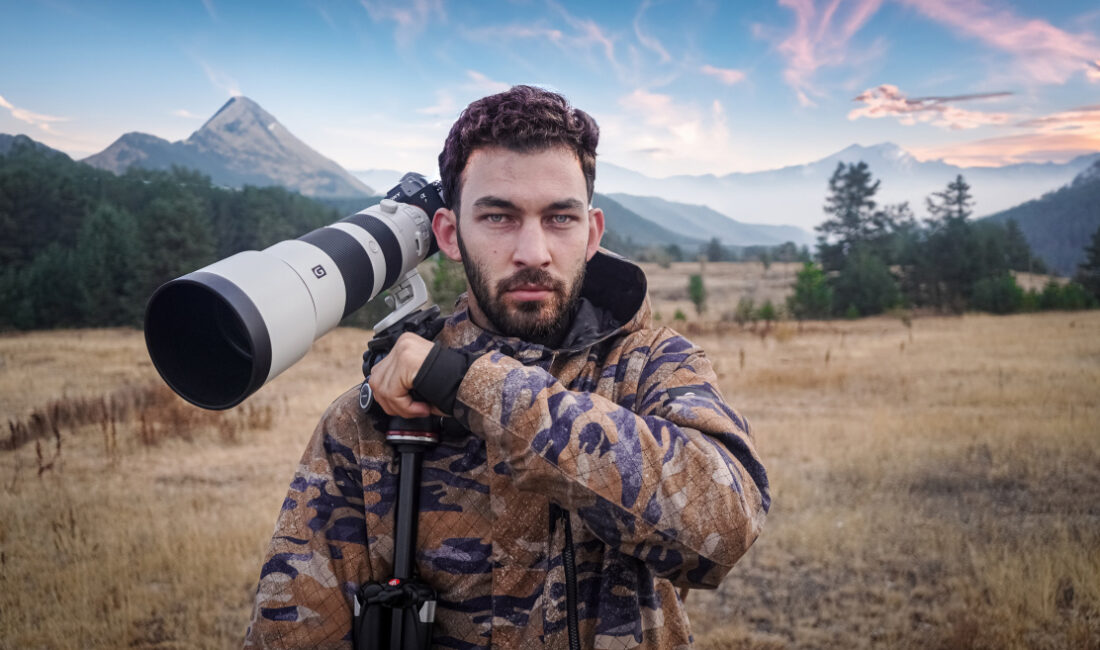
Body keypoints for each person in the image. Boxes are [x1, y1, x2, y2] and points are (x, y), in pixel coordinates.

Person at [245, 85, 770, 649]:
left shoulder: (651, 368)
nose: (533, 252)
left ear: (591, 233)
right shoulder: (369, 423)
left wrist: (468, 382)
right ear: (449, 234)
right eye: (499, 216)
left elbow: (726, 528)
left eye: (559, 218)